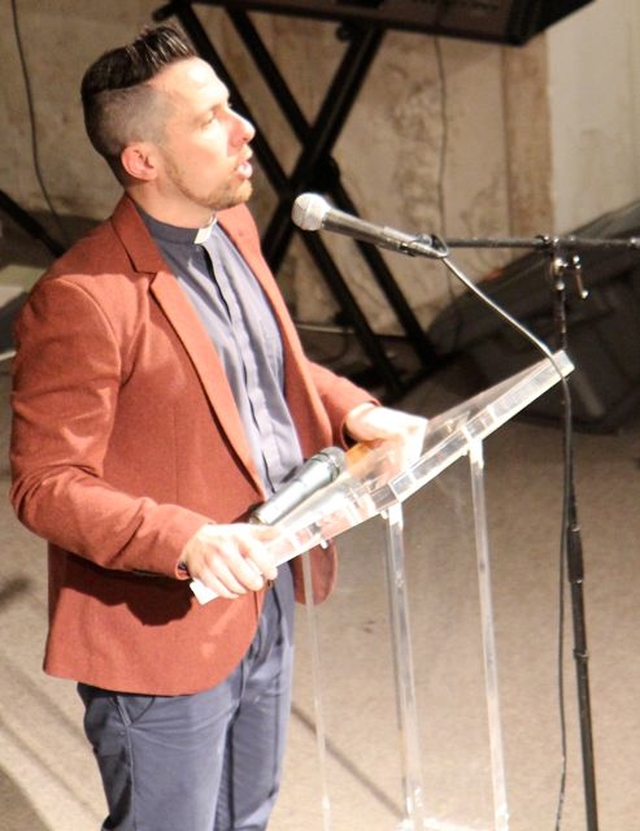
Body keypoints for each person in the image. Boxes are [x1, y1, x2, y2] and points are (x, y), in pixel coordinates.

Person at [9, 24, 427, 831]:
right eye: (210, 119)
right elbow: (45, 486)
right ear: (143, 160)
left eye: (230, 105)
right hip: (162, 631)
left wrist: (353, 409)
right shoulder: (83, 298)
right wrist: (184, 537)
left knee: (249, 815)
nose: (246, 130)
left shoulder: (232, 228)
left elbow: (269, 367)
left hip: (264, 590)